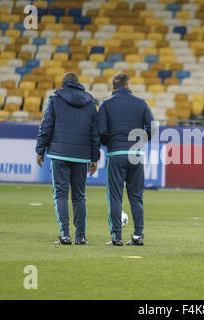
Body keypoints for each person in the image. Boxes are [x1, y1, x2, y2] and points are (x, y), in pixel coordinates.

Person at [36, 72, 100, 245]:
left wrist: (40, 149)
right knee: (80, 196)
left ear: (63, 83)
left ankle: (65, 235)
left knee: (61, 194)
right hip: (81, 157)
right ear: (78, 84)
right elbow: (95, 133)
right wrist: (94, 158)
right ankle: (81, 237)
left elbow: (46, 126)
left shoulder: (55, 100)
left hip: (59, 153)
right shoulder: (90, 103)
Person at [98, 73, 154, 246]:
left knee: (115, 197)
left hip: (116, 154)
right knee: (136, 197)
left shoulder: (106, 104)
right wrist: (140, 141)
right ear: (129, 86)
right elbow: (153, 126)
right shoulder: (141, 103)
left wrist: (110, 143)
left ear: (113, 87)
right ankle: (138, 236)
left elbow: (100, 131)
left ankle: (116, 237)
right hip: (136, 155)